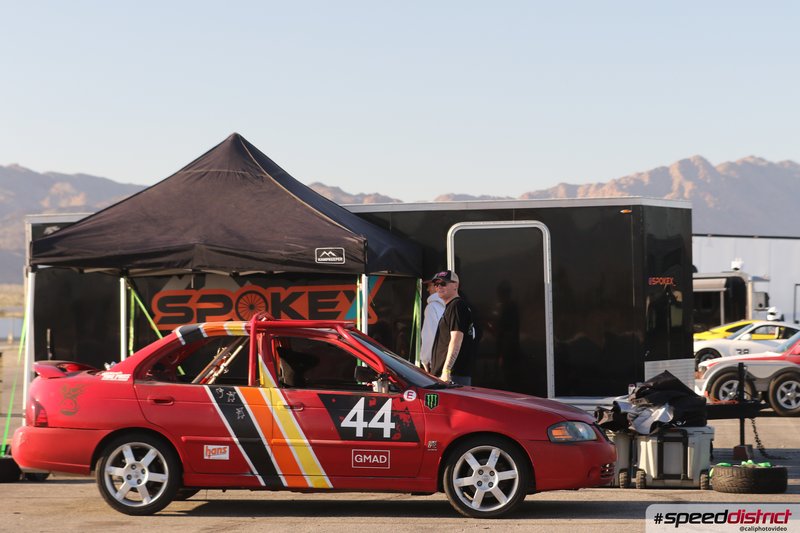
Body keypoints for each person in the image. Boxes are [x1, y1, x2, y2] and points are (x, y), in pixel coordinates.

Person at [429, 270, 477, 385]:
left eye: (443, 283)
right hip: (452, 374)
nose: (439, 287)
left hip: (452, 375)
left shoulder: (456, 306)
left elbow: (456, 339)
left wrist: (446, 371)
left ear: (455, 285)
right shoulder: (454, 306)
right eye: (436, 284)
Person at [419, 280, 445, 372]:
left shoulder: (432, 307)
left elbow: (429, 336)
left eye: (429, 286)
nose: (427, 289)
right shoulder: (458, 306)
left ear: (437, 286)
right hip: (460, 363)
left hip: (439, 363)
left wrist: (425, 360)